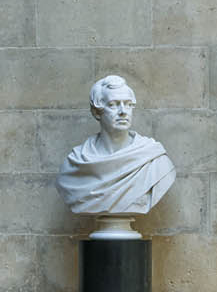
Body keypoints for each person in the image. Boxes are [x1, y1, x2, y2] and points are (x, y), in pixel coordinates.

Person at [59, 75, 178, 226]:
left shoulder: (154, 159)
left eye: (128, 104)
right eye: (113, 105)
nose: (123, 111)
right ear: (97, 112)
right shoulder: (75, 164)